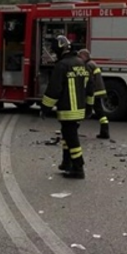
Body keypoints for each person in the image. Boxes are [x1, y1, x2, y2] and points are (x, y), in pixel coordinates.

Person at [41, 35, 92, 179]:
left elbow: (54, 90)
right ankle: (66, 162)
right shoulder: (81, 63)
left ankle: (78, 168)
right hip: (80, 109)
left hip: (68, 110)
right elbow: (90, 87)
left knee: (72, 139)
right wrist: (89, 106)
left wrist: (45, 108)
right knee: (67, 136)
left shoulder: (62, 66)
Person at [77, 48, 110, 139]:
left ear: (84, 56)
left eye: (80, 57)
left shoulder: (88, 65)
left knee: (83, 110)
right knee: (99, 112)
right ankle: (104, 131)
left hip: (93, 91)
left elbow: (88, 80)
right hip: (98, 90)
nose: (79, 59)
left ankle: (73, 129)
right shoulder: (93, 63)